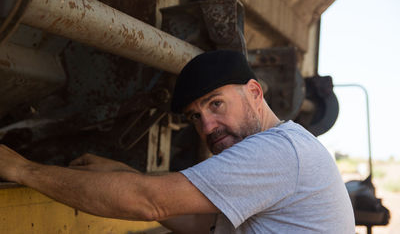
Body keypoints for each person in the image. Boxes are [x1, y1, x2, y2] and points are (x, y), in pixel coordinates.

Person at [0, 50, 354, 233]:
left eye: (216, 104)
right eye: (196, 116)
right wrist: (125, 171)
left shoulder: (276, 151)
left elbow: (151, 204)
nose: (208, 126)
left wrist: (22, 169)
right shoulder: (285, 147)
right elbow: (204, 226)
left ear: (255, 92)